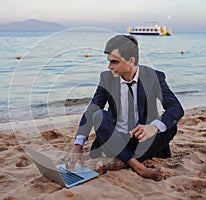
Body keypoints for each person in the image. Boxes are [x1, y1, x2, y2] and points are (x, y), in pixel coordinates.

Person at [66, 35, 184, 181]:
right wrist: (78, 145)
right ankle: (139, 167)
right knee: (98, 115)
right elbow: (92, 110)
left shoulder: (153, 77)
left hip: (143, 139)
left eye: (114, 62)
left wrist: (153, 127)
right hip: (114, 139)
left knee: (169, 124)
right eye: (109, 61)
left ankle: (125, 161)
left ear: (131, 61)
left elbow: (176, 108)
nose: (110, 66)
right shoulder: (106, 78)